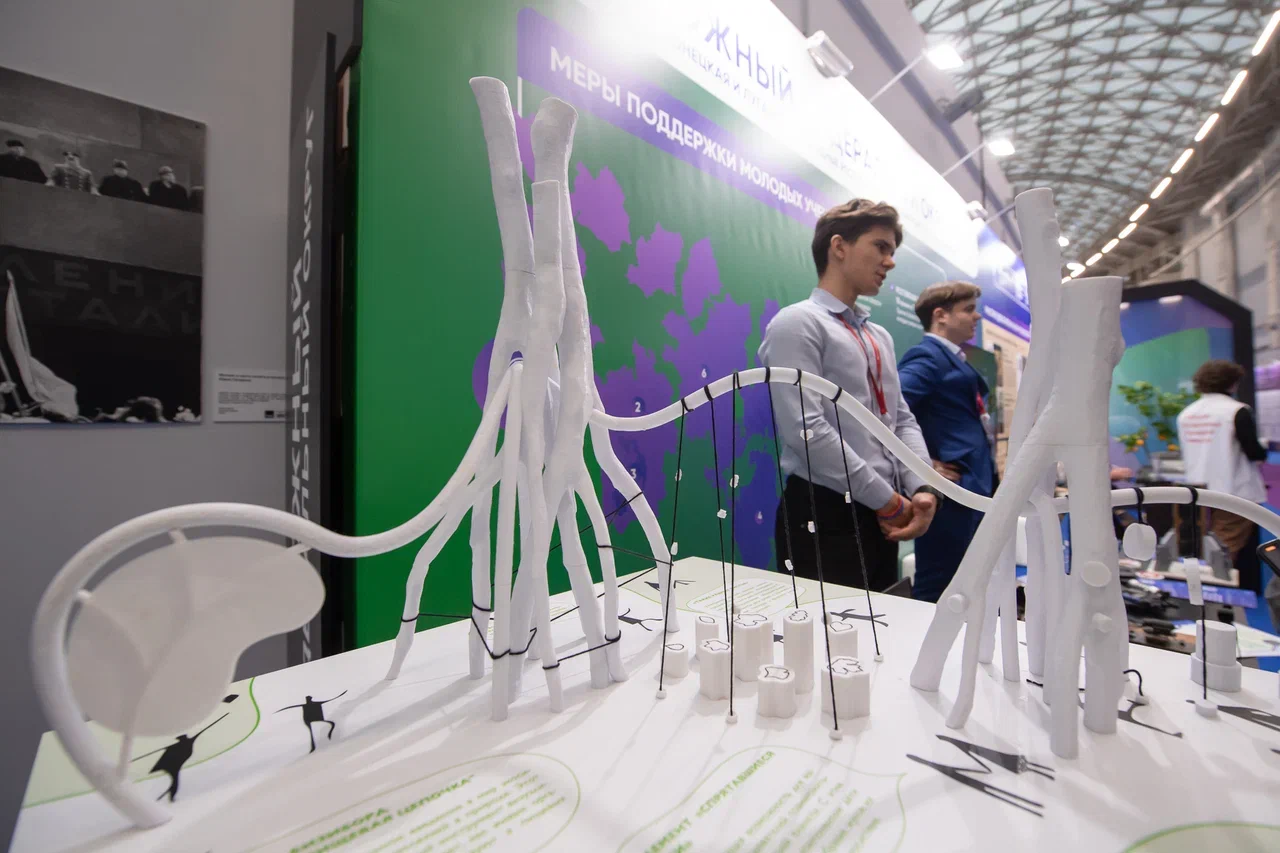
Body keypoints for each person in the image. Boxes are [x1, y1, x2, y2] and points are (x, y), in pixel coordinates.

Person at [759, 199, 938, 592]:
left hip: (883, 512)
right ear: (839, 246)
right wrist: (889, 501)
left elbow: (901, 420)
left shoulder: (880, 336)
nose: (890, 261)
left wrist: (922, 488)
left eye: (892, 250)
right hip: (824, 511)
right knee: (825, 629)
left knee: (881, 625)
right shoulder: (797, 323)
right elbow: (807, 431)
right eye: (881, 247)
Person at [898, 282, 996, 602]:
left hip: (969, 490)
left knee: (967, 584)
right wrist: (923, 465)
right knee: (939, 585)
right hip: (952, 495)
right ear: (940, 315)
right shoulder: (928, 356)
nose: (977, 317)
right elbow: (890, 411)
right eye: (968, 310)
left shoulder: (952, 358)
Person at [1176, 359, 1268, 593]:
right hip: (1234, 490)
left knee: (1205, 545)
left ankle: (1205, 591)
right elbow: (1254, 452)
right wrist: (1264, 447)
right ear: (1232, 382)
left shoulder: (1187, 414)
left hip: (1198, 489)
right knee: (1227, 549)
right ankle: (1216, 596)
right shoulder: (1236, 411)